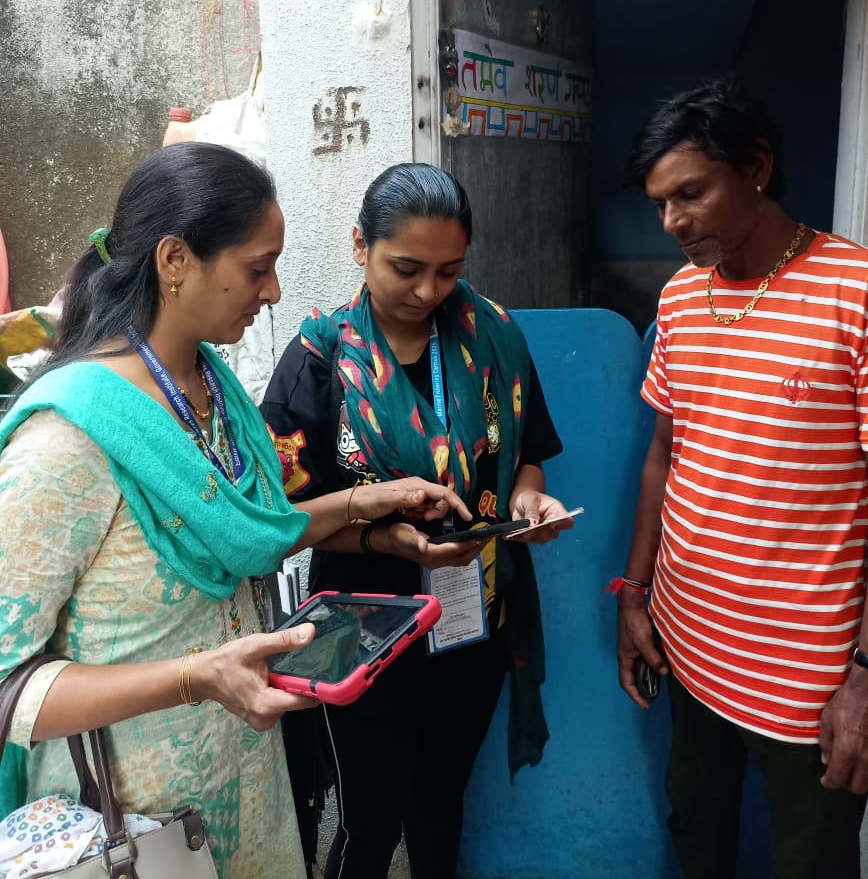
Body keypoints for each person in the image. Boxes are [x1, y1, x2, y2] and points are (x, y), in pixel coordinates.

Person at [0, 143, 468, 879]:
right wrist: (197, 676)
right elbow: (8, 686)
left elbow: (251, 533)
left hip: (250, 787)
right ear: (175, 260)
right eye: (257, 268)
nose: (274, 291)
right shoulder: (65, 441)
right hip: (135, 827)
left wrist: (361, 504)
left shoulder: (214, 391)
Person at [260, 162, 572, 879]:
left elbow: (527, 454)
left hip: (470, 622)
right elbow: (282, 518)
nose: (429, 291)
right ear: (359, 245)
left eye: (449, 270)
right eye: (406, 268)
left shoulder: (493, 338)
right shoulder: (320, 359)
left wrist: (528, 500)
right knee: (369, 822)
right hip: (360, 626)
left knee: (440, 803)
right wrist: (381, 536)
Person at [616, 79, 868, 879]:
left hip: (810, 679)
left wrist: (864, 680)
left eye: (691, 193)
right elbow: (664, 454)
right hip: (690, 645)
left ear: (756, 166)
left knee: (809, 860)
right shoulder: (681, 298)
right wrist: (634, 595)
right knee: (696, 830)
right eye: (660, 203)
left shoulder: (855, 294)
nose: (673, 221)